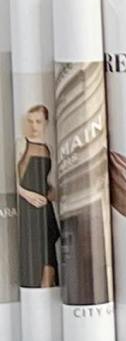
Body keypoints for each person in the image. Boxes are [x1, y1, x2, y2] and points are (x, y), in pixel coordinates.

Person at [16, 102, 58, 287]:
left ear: (46, 123)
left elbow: (46, 179)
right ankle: (35, 287)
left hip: (44, 205)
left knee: (49, 242)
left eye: (38, 121)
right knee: (32, 245)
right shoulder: (21, 144)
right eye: (30, 121)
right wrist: (26, 194)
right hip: (27, 205)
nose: (34, 126)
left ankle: (47, 285)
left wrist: (53, 192)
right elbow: (12, 180)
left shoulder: (49, 148)